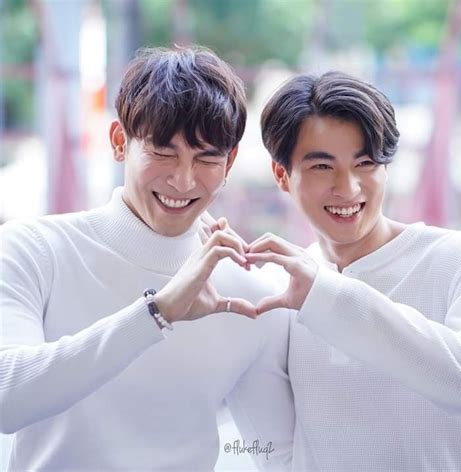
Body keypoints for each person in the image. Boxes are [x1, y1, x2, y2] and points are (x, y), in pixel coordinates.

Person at [0, 46, 294, 471]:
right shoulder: (34, 249)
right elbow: (8, 399)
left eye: (207, 157)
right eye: (163, 151)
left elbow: (275, 453)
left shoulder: (249, 293)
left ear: (229, 161)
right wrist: (157, 312)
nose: (183, 178)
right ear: (120, 141)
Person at [242, 72, 461, 471]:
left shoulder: (458, 259)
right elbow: (271, 446)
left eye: (365, 163)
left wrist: (327, 295)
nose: (348, 189)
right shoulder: (280, 289)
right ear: (282, 175)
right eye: (321, 167)